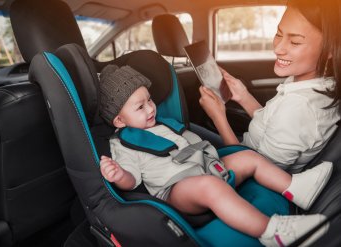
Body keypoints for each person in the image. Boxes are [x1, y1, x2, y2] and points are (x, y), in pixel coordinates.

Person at [98, 64, 331, 247]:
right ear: (119, 120)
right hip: (176, 190)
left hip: (208, 166)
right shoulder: (123, 145)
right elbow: (132, 181)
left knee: (247, 157)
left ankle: (297, 188)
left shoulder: (161, 124)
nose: (150, 108)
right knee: (209, 186)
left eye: (149, 100)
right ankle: (271, 231)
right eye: (140, 107)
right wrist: (118, 174)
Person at [199, 0, 341, 173]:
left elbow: (258, 174)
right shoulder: (314, 84)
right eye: (279, 34)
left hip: (245, 178)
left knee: (180, 133)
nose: (278, 48)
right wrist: (244, 96)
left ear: (331, 49)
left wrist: (218, 117)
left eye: (295, 42)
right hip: (246, 150)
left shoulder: (299, 106)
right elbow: (273, 124)